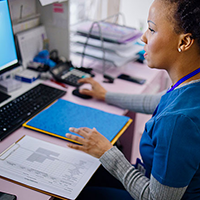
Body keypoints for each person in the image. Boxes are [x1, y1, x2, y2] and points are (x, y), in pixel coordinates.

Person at [65, 0, 200, 199]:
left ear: (184, 42)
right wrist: (106, 95)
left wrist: (107, 152)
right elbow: (155, 102)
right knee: (85, 171)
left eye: (152, 29)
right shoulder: (191, 84)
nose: (143, 37)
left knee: (74, 193)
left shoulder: (178, 122)